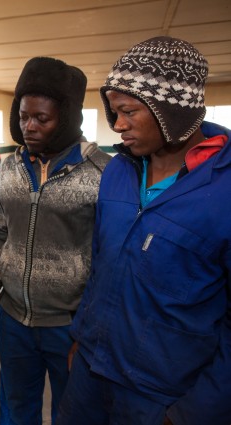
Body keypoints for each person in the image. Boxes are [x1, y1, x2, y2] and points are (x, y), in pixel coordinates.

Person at [57, 37, 231, 425]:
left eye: (128, 111)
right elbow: (101, 265)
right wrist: (81, 339)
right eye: (113, 111)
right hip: (90, 369)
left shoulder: (224, 190)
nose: (117, 125)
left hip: (162, 394)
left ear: (172, 111)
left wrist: (195, 411)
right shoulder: (119, 170)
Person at [0, 57, 111, 425]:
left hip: (69, 325)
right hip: (14, 320)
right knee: (15, 406)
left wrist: (90, 326)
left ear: (68, 118)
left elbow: (108, 258)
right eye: (24, 116)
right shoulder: (10, 169)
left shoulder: (101, 173)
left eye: (42, 119)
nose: (29, 127)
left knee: (72, 411)